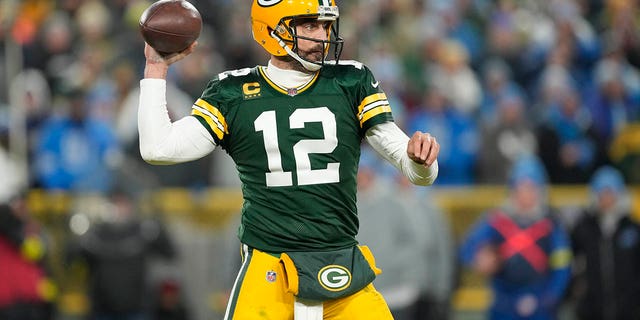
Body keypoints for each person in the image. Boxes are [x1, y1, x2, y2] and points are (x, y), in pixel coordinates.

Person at [137, 1, 440, 319]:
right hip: (268, 266)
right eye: (310, 26)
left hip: (341, 262)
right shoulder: (232, 92)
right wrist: (156, 69)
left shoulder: (352, 81)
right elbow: (159, 149)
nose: (322, 35)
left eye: (324, 26)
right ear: (271, 30)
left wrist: (421, 160)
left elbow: (419, 172)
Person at [460, 156, 572, 320]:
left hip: (540, 304)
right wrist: (478, 259)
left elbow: (562, 266)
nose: (525, 194)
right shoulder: (497, 220)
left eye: (531, 188)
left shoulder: (551, 224)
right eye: (520, 188)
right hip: (503, 302)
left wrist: (550, 297)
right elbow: (468, 247)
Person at [569, 166, 640, 320]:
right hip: (591, 310)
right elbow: (571, 262)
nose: (606, 198)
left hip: (628, 310)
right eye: (602, 193)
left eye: (611, 193)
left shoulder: (632, 228)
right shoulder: (583, 228)